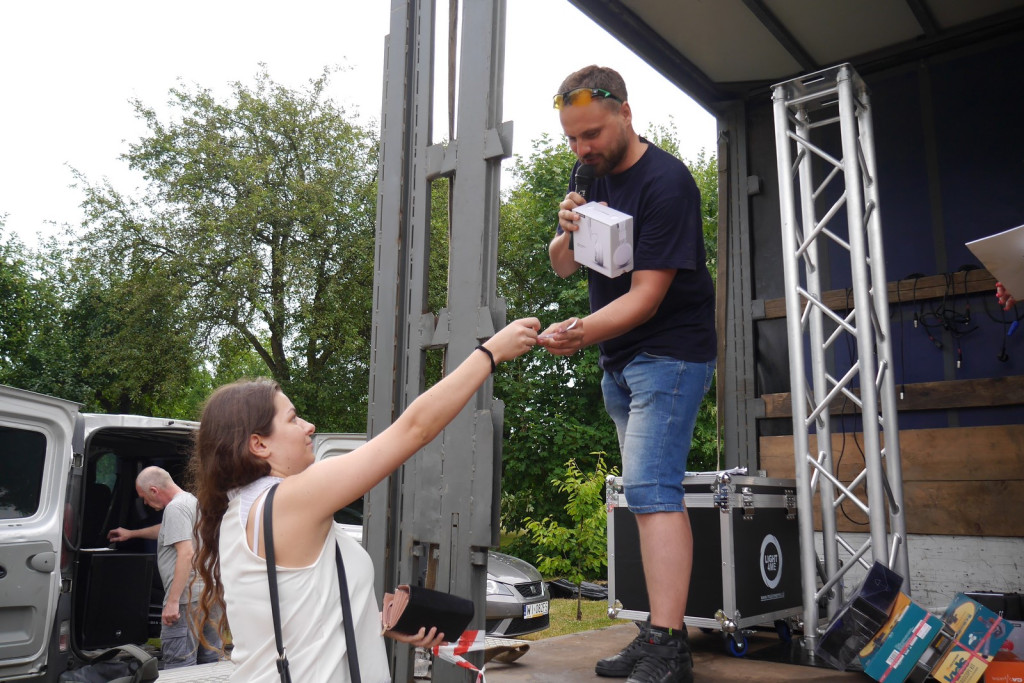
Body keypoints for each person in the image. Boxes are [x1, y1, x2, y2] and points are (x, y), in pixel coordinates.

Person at [189, 318, 539, 682]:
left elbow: (302, 620)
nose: (309, 426)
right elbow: (415, 429)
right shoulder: (289, 500)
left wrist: (376, 625)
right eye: (293, 419)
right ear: (259, 445)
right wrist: (490, 353)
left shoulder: (242, 511)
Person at [539, 65, 716, 683]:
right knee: (643, 497)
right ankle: (654, 634)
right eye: (571, 138)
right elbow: (565, 268)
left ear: (625, 114)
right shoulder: (588, 173)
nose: (582, 149)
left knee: (652, 491)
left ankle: (671, 648)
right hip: (619, 359)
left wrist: (576, 333)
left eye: (590, 134)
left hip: (669, 353)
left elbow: (644, 298)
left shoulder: (667, 184)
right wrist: (565, 230)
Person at [107, 466, 222, 668]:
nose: (145, 502)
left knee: (180, 666)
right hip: (208, 596)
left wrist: (172, 601)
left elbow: (186, 553)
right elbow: (168, 529)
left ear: (154, 490)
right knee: (210, 664)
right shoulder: (191, 502)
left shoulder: (175, 508)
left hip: (186, 602)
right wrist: (132, 534)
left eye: (144, 496)